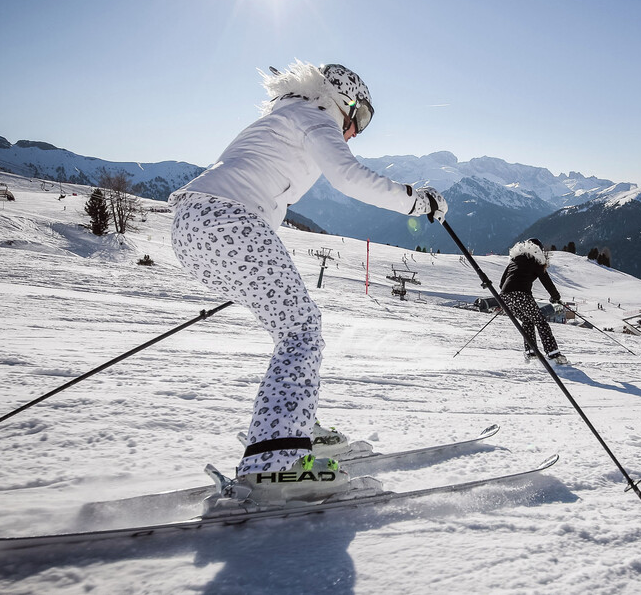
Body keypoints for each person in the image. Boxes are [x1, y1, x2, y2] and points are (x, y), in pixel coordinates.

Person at [168, 61, 447, 504]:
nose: (357, 130)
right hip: (226, 222)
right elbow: (349, 177)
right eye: (362, 118)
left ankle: (291, 427)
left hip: (194, 228)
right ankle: (274, 462)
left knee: (292, 327)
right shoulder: (315, 116)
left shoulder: (281, 117)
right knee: (302, 330)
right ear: (344, 101)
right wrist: (414, 201)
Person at [499, 238, 567, 365]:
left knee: (527, 320)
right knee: (541, 322)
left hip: (504, 296)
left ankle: (531, 353)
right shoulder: (536, 261)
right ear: (538, 250)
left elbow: (502, 283)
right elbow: (547, 281)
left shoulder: (515, 259)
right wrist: (556, 297)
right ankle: (553, 355)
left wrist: (510, 293)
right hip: (521, 294)